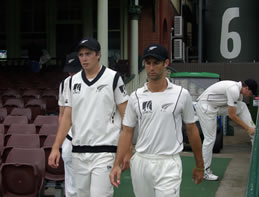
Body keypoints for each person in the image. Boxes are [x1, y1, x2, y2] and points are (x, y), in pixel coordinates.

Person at [110, 44, 204, 197]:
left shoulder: (182, 94)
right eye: (148, 63)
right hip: (141, 162)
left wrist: (200, 165)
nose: (151, 68)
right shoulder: (136, 96)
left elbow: (192, 130)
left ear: (166, 63)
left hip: (169, 163)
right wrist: (117, 164)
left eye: (156, 63)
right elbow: (127, 132)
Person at [48, 37, 129, 197]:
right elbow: (66, 117)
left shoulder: (113, 78)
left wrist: (127, 150)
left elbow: (126, 116)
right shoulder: (72, 82)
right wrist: (56, 147)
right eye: (81, 55)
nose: (84, 58)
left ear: (98, 55)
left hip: (105, 151)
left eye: (88, 54)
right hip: (78, 151)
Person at [195, 79, 258, 181]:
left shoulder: (238, 93)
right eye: (251, 92)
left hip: (214, 107)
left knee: (241, 106)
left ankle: (254, 135)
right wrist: (247, 128)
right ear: (246, 88)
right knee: (210, 139)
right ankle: (205, 172)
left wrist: (250, 129)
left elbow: (235, 111)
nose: (251, 95)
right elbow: (232, 116)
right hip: (205, 108)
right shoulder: (234, 90)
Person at [58, 52, 82, 197]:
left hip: (89, 139)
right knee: (71, 184)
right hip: (69, 137)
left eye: (75, 70)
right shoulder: (64, 84)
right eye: (70, 71)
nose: (71, 74)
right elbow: (61, 113)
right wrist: (60, 141)